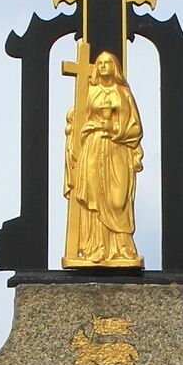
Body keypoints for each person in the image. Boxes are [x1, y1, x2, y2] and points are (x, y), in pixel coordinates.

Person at [63, 49, 144, 267]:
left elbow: (135, 127)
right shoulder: (89, 92)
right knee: (94, 195)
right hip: (93, 145)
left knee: (117, 200)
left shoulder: (123, 93)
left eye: (107, 62)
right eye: (99, 63)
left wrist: (116, 128)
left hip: (117, 148)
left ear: (115, 67)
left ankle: (121, 248)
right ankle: (94, 247)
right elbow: (79, 118)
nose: (102, 66)